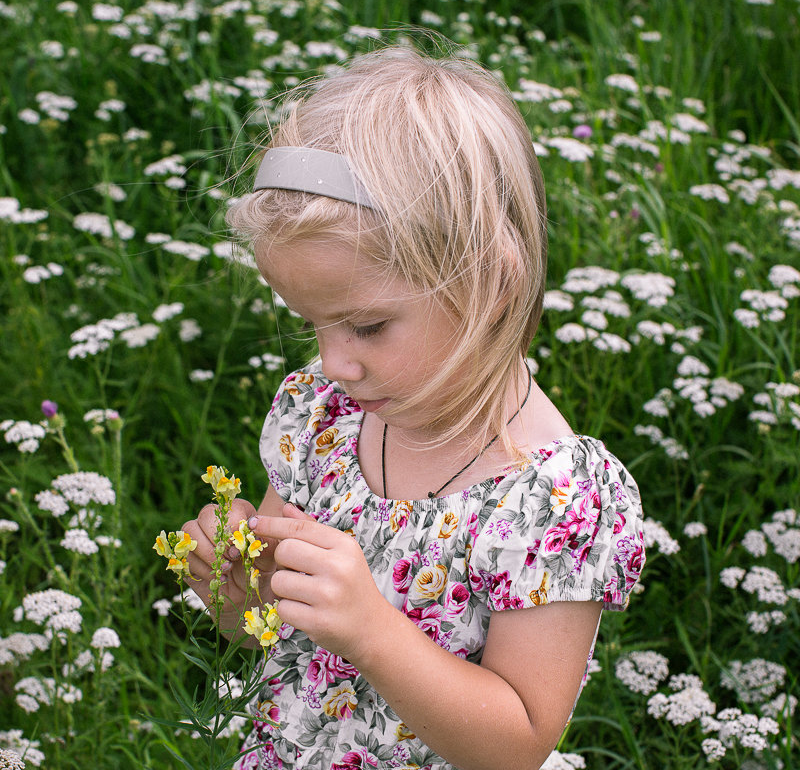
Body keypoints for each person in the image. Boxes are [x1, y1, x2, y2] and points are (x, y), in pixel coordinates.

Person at [183, 44, 645, 770]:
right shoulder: (326, 419)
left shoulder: (552, 499)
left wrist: (373, 631)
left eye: (366, 326)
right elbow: (268, 628)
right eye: (313, 323)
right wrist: (239, 591)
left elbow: (518, 744)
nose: (334, 360)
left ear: (489, 284)